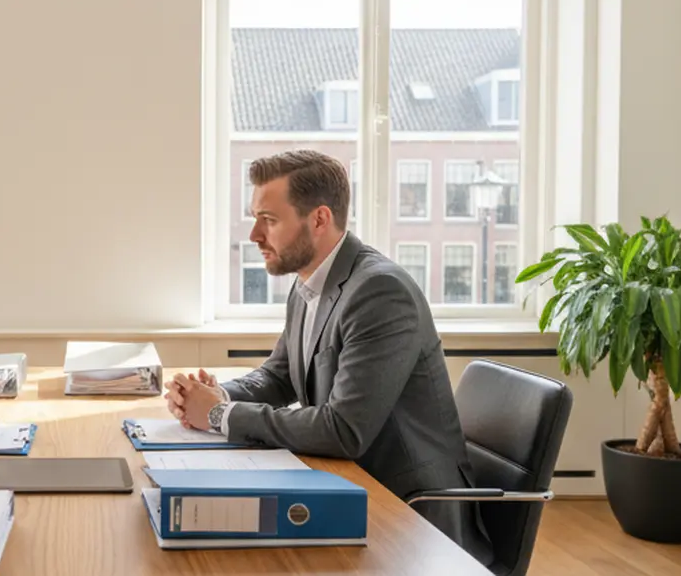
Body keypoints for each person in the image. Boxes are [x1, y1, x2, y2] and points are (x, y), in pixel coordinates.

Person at [163, 149, 494, 566]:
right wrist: (213, 395)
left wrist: (218, 415)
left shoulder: (380, 292)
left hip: (409, 514)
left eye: (268, 219)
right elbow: (279, 376)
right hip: (348, 486)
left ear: (319, 219)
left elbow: (343, 430)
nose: (254, 235)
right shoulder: (309, 283)